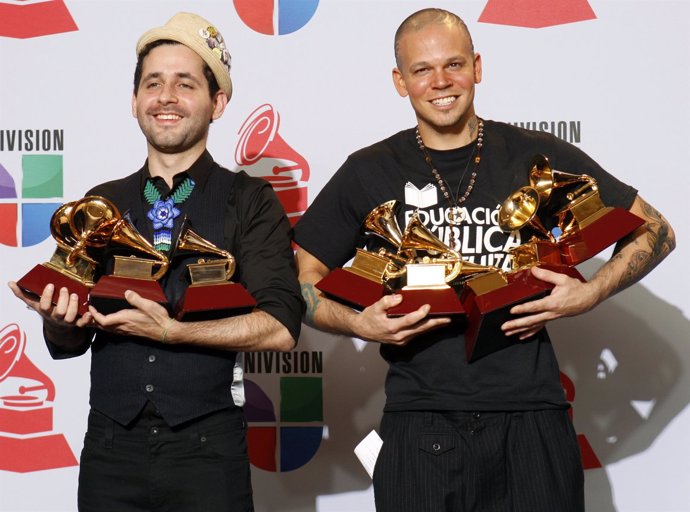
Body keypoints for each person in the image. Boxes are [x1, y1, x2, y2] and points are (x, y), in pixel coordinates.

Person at [294, 7, 675, 512]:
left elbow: (656, 229)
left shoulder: (534, 156)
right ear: (399, 81)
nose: (440, 82)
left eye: (453, 64)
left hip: (532, 417)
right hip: (420, 423)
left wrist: (591, 292)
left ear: (477, 66)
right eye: (421, 70)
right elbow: (303, 279)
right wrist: (360, 323)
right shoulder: (368, 171)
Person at [9, 12, 303, 512]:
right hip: (109, 450)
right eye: (153, 83)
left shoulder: (251, 200)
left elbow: (281, 327)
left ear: (218, 103)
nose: (166, 97)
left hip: (208, 454)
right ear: (134, 101)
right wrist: (58, 322)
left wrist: (174, 332)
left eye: (184, 83)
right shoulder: (102, 200)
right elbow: (70, 340)